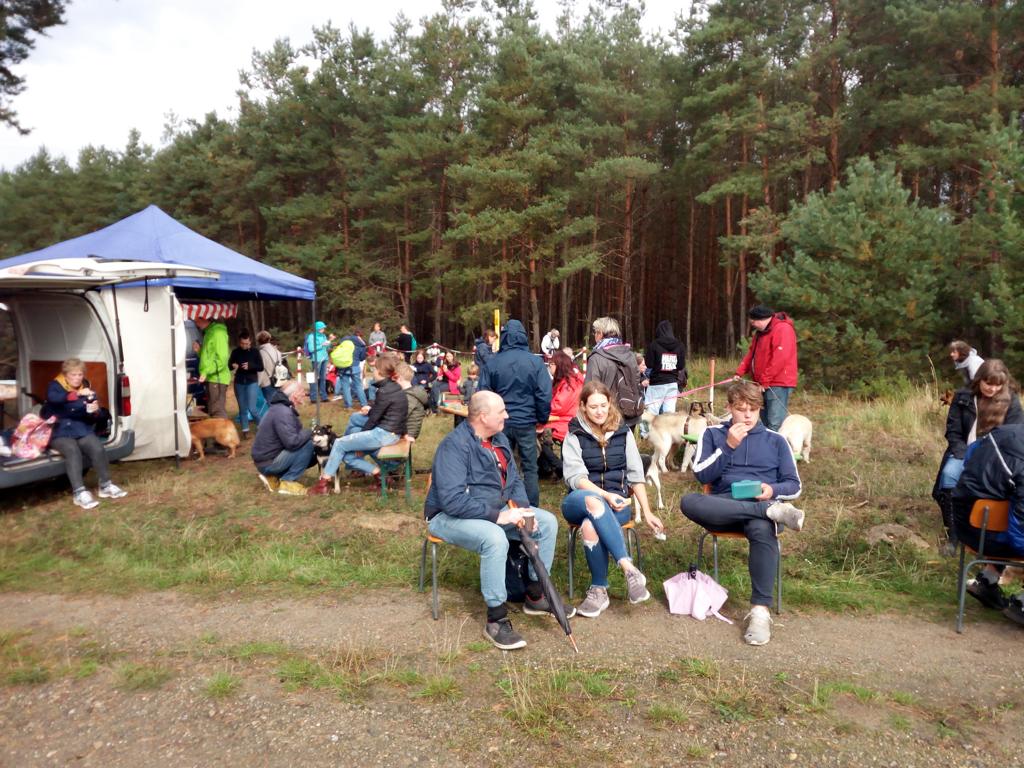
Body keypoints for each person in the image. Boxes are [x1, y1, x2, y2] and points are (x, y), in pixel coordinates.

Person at [424, 391, 564, 650]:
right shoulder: (454, 446)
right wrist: (498, 516)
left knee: (547, 522)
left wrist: (523, 510)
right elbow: (452, 501)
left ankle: (535, 595)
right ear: (482, 416)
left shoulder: (498, 439)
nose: (507, 416)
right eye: (501, 412)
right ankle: (496, 619)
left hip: (491, 510)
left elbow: (514, 479)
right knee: (495, 538)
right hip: (447, 516)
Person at [680, 380, 805, 646]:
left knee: (762, 528)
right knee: (689, 501)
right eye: (741, 409)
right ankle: (771, 511)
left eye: (753, 409)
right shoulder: (712, 434)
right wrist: (728, 446)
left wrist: (772, 490)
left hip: (760, 509)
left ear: (760, 409)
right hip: (722, 508)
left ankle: (760, 612)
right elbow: (701, 474)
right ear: (729, 408)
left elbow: (794, 485)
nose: (747, 415)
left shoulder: (776, 440)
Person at [561, 382, 664, 617]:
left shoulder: (623, 432)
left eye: (603, 405)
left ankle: (599, 590)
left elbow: (636, 476)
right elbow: (576, 478)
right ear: (583, 407)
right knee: (593, 502)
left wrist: (647, 512)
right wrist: (605, 495)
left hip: (617, 504)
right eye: (593, 407)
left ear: (610, 404)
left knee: (589, 526)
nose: (599, 411)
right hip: (579, 500)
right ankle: (629, 568)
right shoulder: (574, 434)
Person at [932, 359, 1023, 554]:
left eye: (998, 385)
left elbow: (1014, 437)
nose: (993, 389)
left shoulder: (1012, 402)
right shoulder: (962, 397)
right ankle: (954, 535)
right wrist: (962, 454)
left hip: (996, 457)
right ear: (979, 380)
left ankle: (989, 531)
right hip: (963, 450)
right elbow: (953, 431)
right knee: (949, 477)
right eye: (988, 383)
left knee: (1000, 487)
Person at [952, 423, 1024, 624]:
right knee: (1014, 525)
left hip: (964, 522)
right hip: (992, 537)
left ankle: (987, 580)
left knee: (1002, 505)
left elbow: (968, 457)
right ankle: (1022, 604)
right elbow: (1020, 527)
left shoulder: (1002, 432)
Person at [308, 353, 408, 494]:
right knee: (348, 456)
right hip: (390, 433)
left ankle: (323, 484)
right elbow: (394, 413)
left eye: (374, 369)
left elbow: (373, 419)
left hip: (383, 434)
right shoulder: (394, 387)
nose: (372, 371)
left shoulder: (384, 391)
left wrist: (360, 437)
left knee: (339, 443)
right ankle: (381, 476)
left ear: (380, 372)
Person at [478, 319, 552, 507]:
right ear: (524, 337)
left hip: (499, 422)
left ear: (503, 338)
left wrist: (486, 422)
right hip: (526, 422)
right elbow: (544, 394)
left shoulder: (493, 363)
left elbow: (483, 394)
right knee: (530, 468)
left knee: (499, 465)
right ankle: (532, 509)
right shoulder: (536, 362)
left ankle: (501, 506)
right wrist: (541, 419)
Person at [44, 358, 127, 509]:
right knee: (72, 450)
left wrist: (95, 412)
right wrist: (76, 394)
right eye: (73, 375)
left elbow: (94, 417)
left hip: (81, 428)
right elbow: (54, 399)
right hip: (59, 430)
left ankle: (105, 485)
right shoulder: (55, 386)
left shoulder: (88, 391)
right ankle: (79, 492)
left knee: (97, 447)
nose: (77, 378)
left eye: (80, 375)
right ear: (66, 375)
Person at [735, 305, 798, 432]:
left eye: (753, 322)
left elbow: (780, 358)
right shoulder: (760, 333)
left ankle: (776, 443)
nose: (752, 325)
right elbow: (751, 353)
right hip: (762, 383)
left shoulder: (783, 329)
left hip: (778, 383)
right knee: (764, 419)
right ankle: (765, 441)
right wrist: (740, 372)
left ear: (762, 319)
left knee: (775, 422)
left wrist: (765, 380)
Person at [251, 380, 317, 496]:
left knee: (310, 446)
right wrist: (310, 432)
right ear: (294, 395)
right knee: (310, 444)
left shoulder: (280, 408)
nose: (304, 394)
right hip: (268, 462)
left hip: (265, 460)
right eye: (302, 391)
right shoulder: (283, 412)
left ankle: (274, 478)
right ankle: (288, 482)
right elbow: (292, 443)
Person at [584, 316, 643, 428]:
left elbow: (590, 388)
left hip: (606, 416)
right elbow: (636, 381)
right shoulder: (630, 355)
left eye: (595, 333)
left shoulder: (596, 358)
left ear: (600, 333)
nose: (594, 336)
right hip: (630, 411)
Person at [537, 352, 584, 478]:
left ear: (559, 365)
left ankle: (557, 466)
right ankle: (547, 469)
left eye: (551, 364)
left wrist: (540, 408)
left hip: (566, 421)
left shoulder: (570, 384)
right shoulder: (568, 380)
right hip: (564, 419)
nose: (549, 367)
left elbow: (558, 406)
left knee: (537, 432)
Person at [643, 320, 688, 437]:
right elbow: (681, 366)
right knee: (669, 412)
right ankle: (668, 434)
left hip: (656, 384)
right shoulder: (679, 345)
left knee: (650, 411)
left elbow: (649, 364)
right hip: (672, 383)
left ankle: (646, 435)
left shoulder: (654, 345)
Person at [229, 330, 264, 438]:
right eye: (242, 343)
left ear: (250, 342)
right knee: (242, 408)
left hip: (251, 382)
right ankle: (245, 430)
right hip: (239, 382)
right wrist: (233, 365)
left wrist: (250, 366)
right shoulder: (235, 352)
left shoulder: (255, 351)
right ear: (239, 342)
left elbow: (261, 367)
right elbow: (229, 365)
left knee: (252, 408)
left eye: (246, 343)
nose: (244, 345)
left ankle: (263, 427)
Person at [195, 316, 230, 419]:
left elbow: (222, 360)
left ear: (204, 318)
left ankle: (224, 430)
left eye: (197, 320)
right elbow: (208, 358)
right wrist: (199, 351)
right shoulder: (208, 332)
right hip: (211, 378)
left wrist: (205, 372)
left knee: (217, 411)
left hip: (218, 378)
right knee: (212, 410)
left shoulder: (218, 333)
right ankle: (217, 429)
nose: (196, 324)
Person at [397, 362, 430, 440]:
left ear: (400, 378)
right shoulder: (411, 392)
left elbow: (400, 416)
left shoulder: (409, 396)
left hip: (408, 433)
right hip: (407, 431)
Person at [304, 321, 335, 402]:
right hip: (316, 360)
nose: (323, 329)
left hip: (324, 358)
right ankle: (313, 397)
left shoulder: (323, 336)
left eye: (324, 328)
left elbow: (327, 347)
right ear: (317, 329)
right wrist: (322, 345)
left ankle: (324, 397)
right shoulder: (311, 337)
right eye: (322, 328)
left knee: (323, 378)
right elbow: (311, 349)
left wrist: (330, 341)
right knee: (314, 378)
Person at [256, 330, 284, 406]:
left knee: (270, 404)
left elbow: (261, 370)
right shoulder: (277, 351)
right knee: (277, 402)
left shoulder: (261, 353)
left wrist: (257, 384)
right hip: (277, 380)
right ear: (269, 339)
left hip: (266, 382)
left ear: (258, 341)